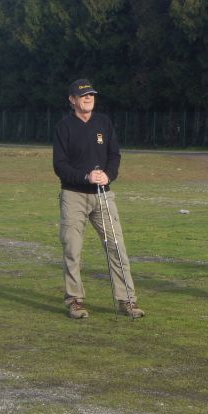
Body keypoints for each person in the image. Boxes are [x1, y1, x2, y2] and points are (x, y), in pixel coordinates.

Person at [52, 79, 144, 319]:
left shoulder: (104, 122)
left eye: (91, 95)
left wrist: (108, 175)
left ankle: (127, 301)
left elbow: (114, 155)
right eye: (83, 95)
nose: (88, 98)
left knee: (117, 247)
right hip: (74, 195)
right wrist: (85, 176)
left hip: (103, 195)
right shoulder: (64, 127)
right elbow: (60, 165)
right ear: (72, 99)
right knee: (72, 248)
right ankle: (75, 301)